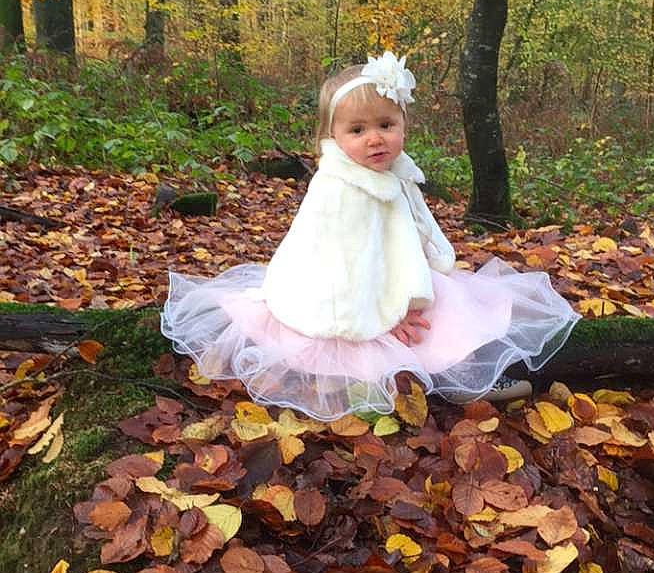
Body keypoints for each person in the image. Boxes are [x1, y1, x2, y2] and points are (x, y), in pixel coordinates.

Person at [160, 52, 579, 421]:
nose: (375, 138)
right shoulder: (340, 188)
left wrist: (434, 260)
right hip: (348, 293)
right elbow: (343, 263)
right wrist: (389, 311)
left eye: (386, 124)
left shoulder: (395, 172)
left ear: (403, 124)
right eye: (358, 130)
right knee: (397, 336)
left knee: (454, 301)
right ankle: (415, 383)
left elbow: (415, 225)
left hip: (392, 272)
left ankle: (467, 373)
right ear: (333, 138)